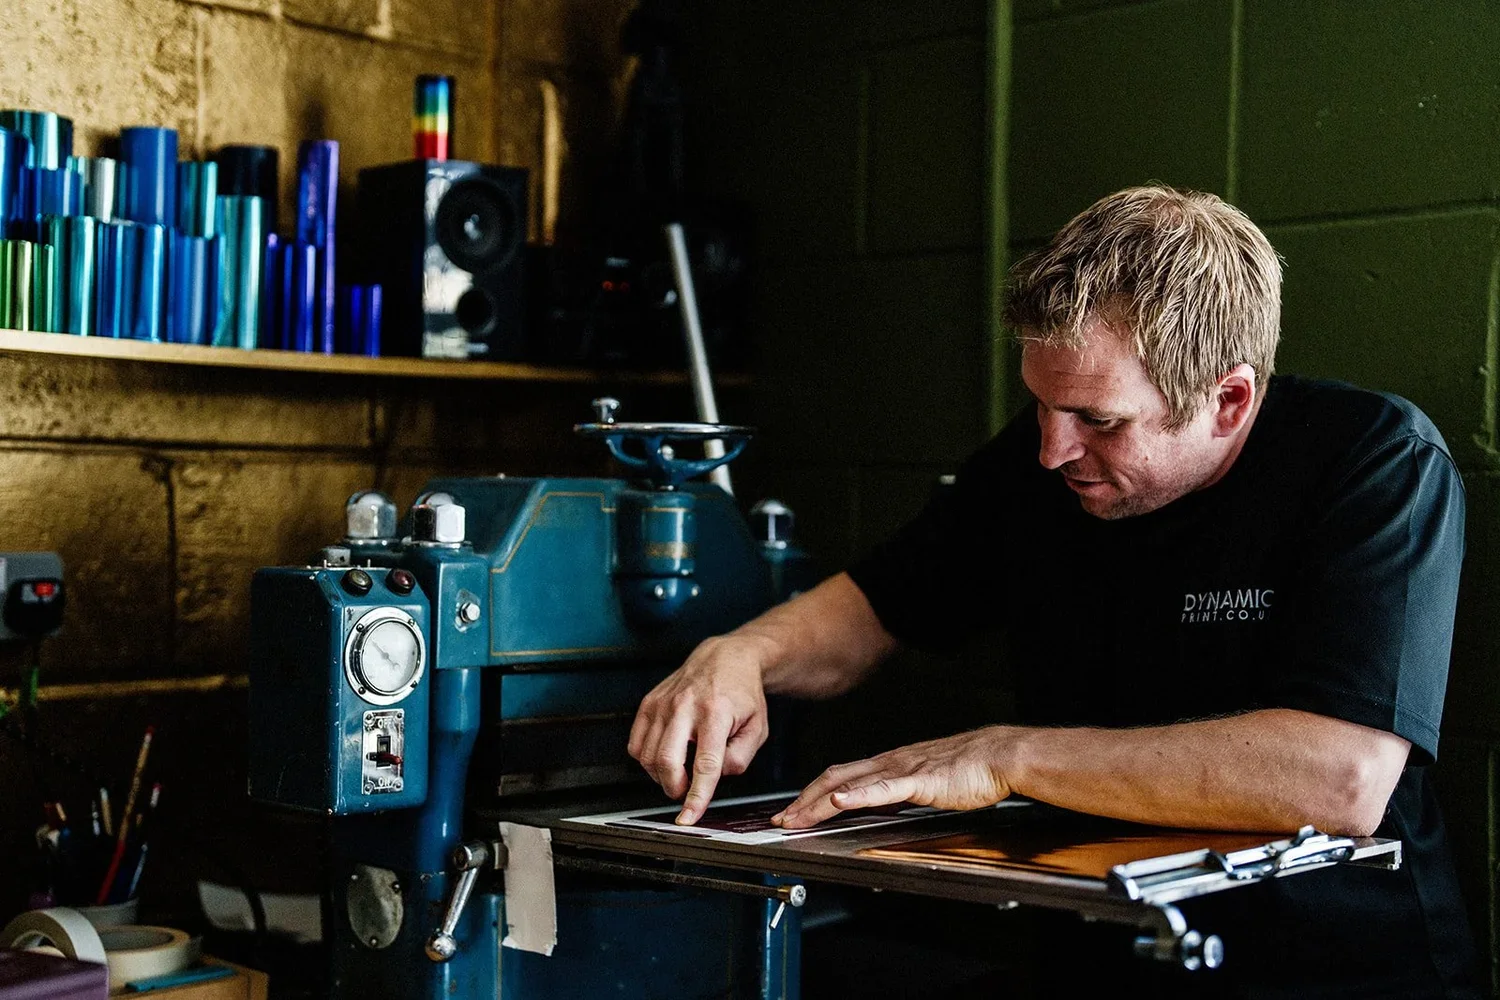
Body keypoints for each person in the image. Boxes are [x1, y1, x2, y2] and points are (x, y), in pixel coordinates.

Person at [627, 186, 1479, 997]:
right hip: (1106, 955)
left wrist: (1005, 756)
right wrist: (742, 654)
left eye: (1100, 422)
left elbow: (1340, 780)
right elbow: (875, 607)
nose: (1052, 450)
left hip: (1335, 970)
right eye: (1042, 406)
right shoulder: (1043, 463)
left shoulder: (1373, 463)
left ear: (1228, 400)